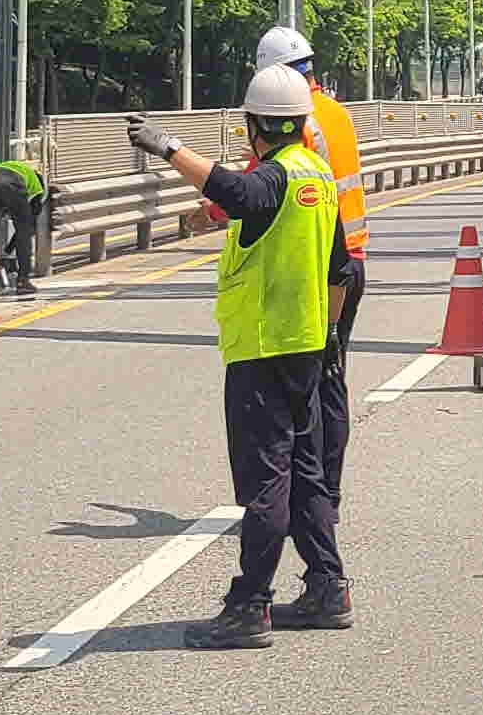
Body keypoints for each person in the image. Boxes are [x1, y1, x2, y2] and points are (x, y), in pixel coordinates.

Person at [128, 65, 350, 649]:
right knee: (305, 472)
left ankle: (249, 606)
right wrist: (329, 340)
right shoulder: (319, 176)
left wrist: (171, 148)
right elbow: (340, 269)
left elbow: (239, 193)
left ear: (254, 125)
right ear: (302, 122)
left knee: (266, 480)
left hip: (261, 347)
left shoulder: (273, 178)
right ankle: (328, 587)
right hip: (305, 344)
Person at [255, 24, 369, 520]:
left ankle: (312, 498)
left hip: (317, 263)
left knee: (308, 386)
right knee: (332, 377)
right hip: (350, 256)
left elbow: (266, 187)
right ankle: (329, 494)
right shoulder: (337, 112)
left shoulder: (297, 117)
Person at [0, 143, 47, 299]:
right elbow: (27, 230)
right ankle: (23, 281)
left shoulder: (14, 167)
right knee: (24, 233)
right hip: (13, 184)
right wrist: (8, 251)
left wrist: (4, 251)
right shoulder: (38, 190)